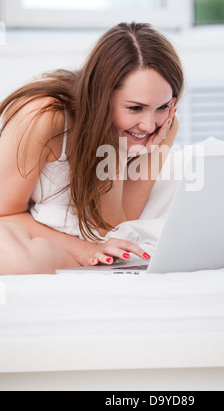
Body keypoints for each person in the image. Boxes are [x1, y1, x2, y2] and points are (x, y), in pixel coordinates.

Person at [0, 22, 184, 275]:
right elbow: (5, 212)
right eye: (135, 108)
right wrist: (82, 249)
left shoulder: (164, 127)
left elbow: (114, 225)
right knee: (22, 261)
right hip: (12, 219)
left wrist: (118, 153)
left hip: (81, 233)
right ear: (101, 98)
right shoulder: (44, 118)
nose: (150, 124)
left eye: (163, 106)